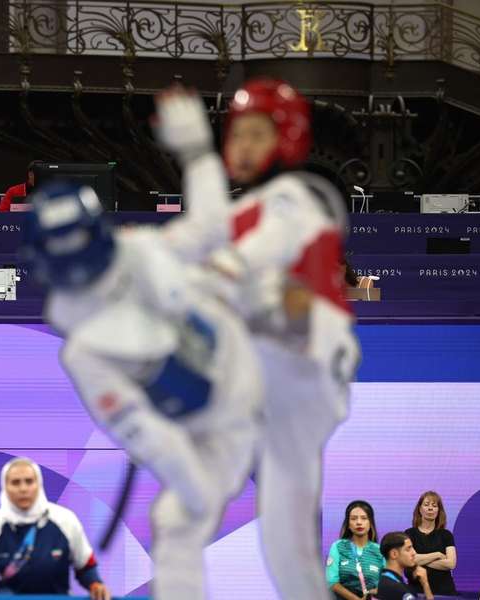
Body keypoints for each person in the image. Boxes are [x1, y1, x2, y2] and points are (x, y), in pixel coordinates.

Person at [153, 82, 359, 600]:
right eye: (235, 135)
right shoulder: (250, 206)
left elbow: (253, 250)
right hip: (262, 375)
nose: (241, 146)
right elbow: (204, 231)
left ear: (286, 138)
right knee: (199, 523)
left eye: (256, 134)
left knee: (282, 544)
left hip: (302, 368)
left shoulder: (300, 196)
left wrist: (211, 277)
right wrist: (197, 155)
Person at [17, 181, 261, 600]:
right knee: (179, 517)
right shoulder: (77, 338)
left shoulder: (146, 249)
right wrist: (191, 487)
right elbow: (147, 431)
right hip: (203, 412)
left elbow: (209, 236)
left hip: (249, 365)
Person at [0, 458, 110, 600]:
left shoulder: (66, 519)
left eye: (29, 481)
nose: (23, 488)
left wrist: (96, 584)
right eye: (16, 482)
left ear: (39, 484)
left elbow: (86, 567)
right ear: (5, 487)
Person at [326, 500, 385, 600]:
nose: (359, 522)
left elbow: (387, 583)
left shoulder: (379, 550)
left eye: (364, 518)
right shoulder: (338, 546)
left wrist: (372, 593)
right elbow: (331, 581)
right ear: (348, 524)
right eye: (353, 519)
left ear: (370, 523)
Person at [404, 490, 457, 595]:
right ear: (420, 509)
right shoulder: (409, 534)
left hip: (444, 591)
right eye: (426, 504)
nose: (430, 508)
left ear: (439, 511)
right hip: (417, 591)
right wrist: (437, 555)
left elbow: (451, 563)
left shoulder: (446, 535)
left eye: (434, 505)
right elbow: (410, 560)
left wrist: (421, 560)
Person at [377, 532, 433, 600]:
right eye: (408, 549)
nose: (414, 553)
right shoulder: (395, 588)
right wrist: (425, 584)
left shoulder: (384, 580)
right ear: (394, 554)